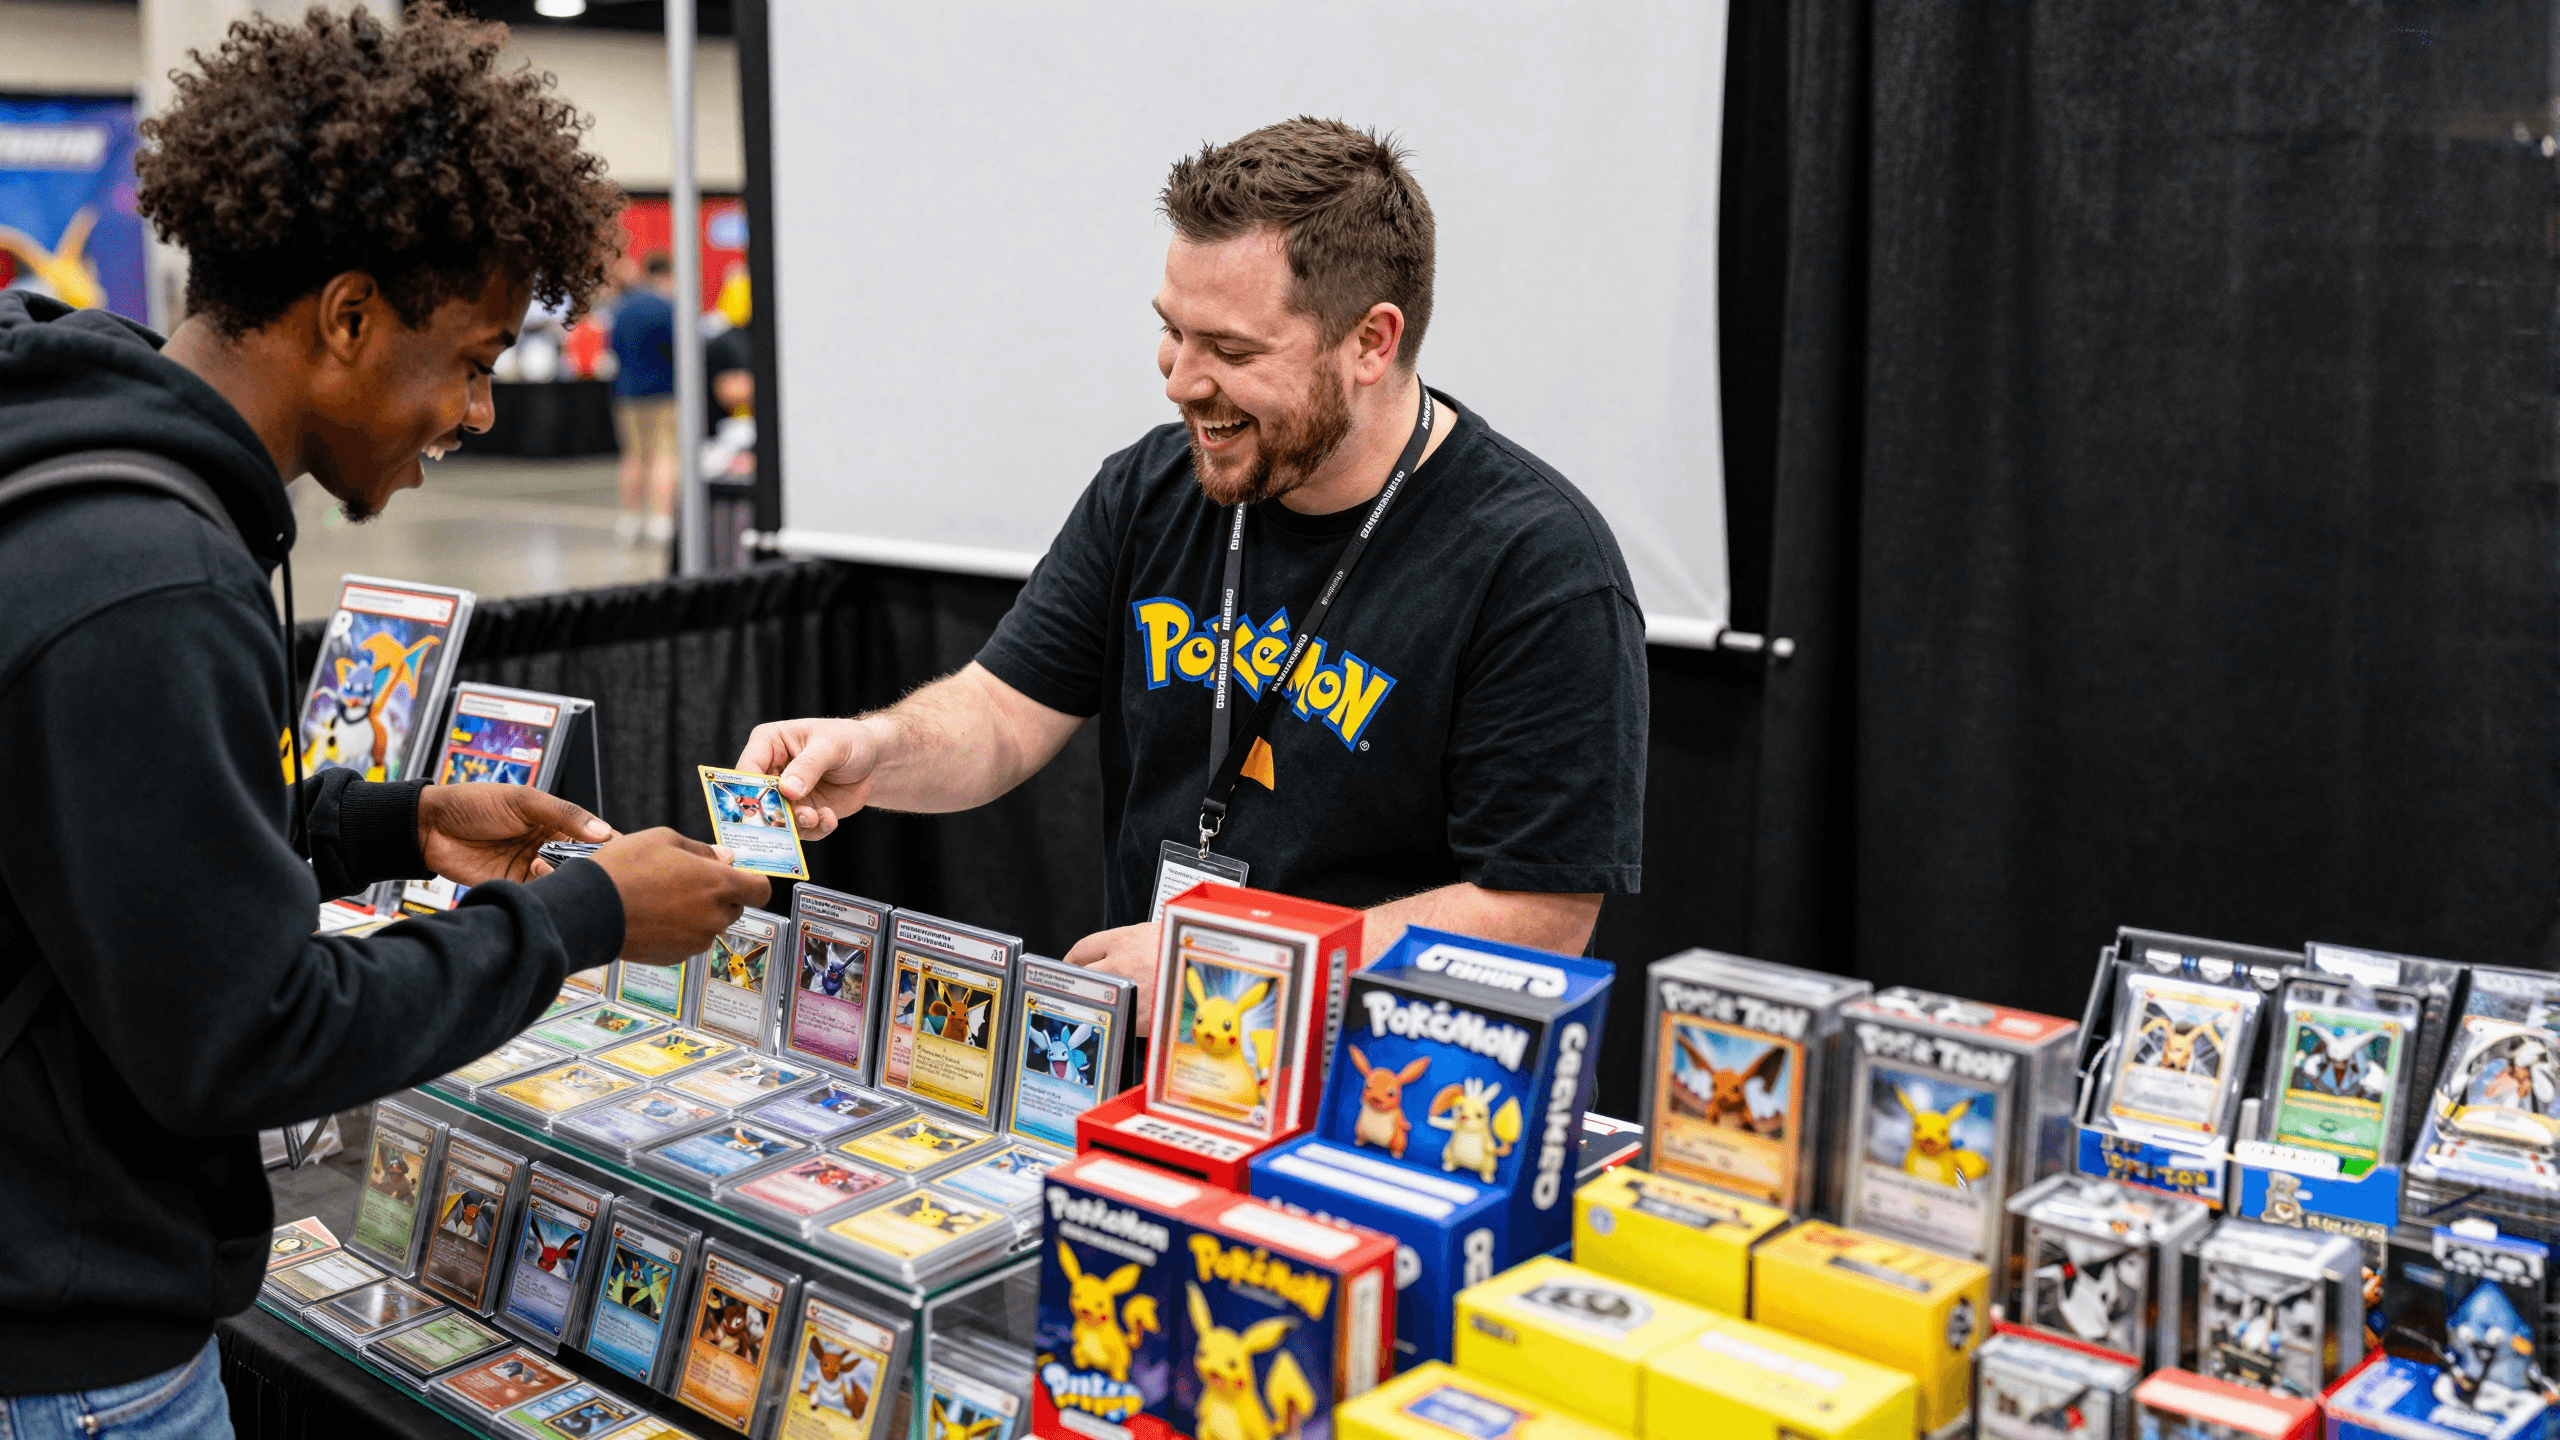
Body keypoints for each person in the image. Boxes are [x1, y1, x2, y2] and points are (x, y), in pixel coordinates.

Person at [0, 4, 766, 1427]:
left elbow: (114, 831)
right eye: (470, 357)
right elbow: (251, 1035)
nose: (477, 408)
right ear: (347, 319)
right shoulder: (145, 577)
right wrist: (586, 916)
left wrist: (391, 820)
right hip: (66, 1364)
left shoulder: (94, 475)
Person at [739, 117, 1648, 1027]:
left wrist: (1218, 958)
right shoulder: (1150, 487)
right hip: (1159, 1069)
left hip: (1391, 1100)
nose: (1180, 380)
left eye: (1234, 351)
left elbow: (1534, 920)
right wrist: (876, 750)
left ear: (1372, 343)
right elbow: (1004, 713)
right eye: (1172, 331)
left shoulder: (1538, 566)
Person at [610, 250, 680, 545]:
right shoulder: (667, 309)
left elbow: (613, 347)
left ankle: (629, 518)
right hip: (663, 393)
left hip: (626, 394)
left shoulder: (622, 308)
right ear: (665, 275)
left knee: (632, 457)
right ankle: (661, 519)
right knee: (664, 454)